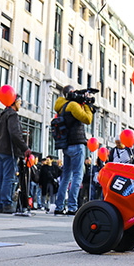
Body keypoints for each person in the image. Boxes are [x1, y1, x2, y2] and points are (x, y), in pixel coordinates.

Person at [53, 86, 93, 215]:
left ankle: (59, 206)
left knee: (65, 176)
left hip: (66, 145)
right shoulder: (73, 106)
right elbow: (88, 119)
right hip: (76, 144)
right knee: (77, 176)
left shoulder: (62, 106)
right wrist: (86, 105)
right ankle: (72, 206)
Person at [0, 94, 31, 214]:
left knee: (0, 178)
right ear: (14, 102)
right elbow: (15, 134)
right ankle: (7, 203)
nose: (20, 104)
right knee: (8, 178)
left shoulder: (3, 114)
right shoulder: (12, 115)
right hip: (8, 151)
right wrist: (25, 148)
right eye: (20, 101)